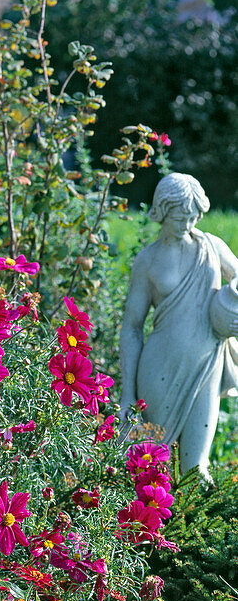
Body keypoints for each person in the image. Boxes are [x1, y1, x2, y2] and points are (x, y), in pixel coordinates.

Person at [119, 172, 238, 477]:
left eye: (193, 216)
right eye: (179, 217)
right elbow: (132, 327)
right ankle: (149, 524)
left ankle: (200, 524)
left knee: (197, 466)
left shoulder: (212, 247)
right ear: (161, 211)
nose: (187, 224)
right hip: (159, 369)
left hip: (206, 364)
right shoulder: (148, 261)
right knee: (153, 464)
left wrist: (228, 308)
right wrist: (128, 394)